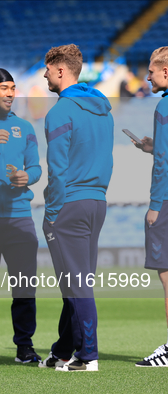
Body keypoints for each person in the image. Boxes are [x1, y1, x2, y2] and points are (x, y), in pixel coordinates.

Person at [38, 44, 113, 372]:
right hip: (97, 202)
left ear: (60, 70)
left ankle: (88, 355)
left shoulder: (60, 111)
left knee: (76, 284)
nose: (43, 75)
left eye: (47, 68)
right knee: (77, 282)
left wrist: (50, 212)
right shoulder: (103, 109)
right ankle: (63, 351)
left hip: (68, 203)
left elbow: (58, 168)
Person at [0, 68, 42, 363]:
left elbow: (37, 168)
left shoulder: (25, 127)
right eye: (5, 88)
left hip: (19, 216)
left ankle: (24, 346)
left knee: (25, 285)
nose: (12, 93)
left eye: (13, 88)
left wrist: (28, 176)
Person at [131, 46, 168, 367]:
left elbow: (165, 163)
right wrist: (153, 147)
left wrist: (155, 205)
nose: (147, 77)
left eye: (152, 72)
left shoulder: (164, 106)